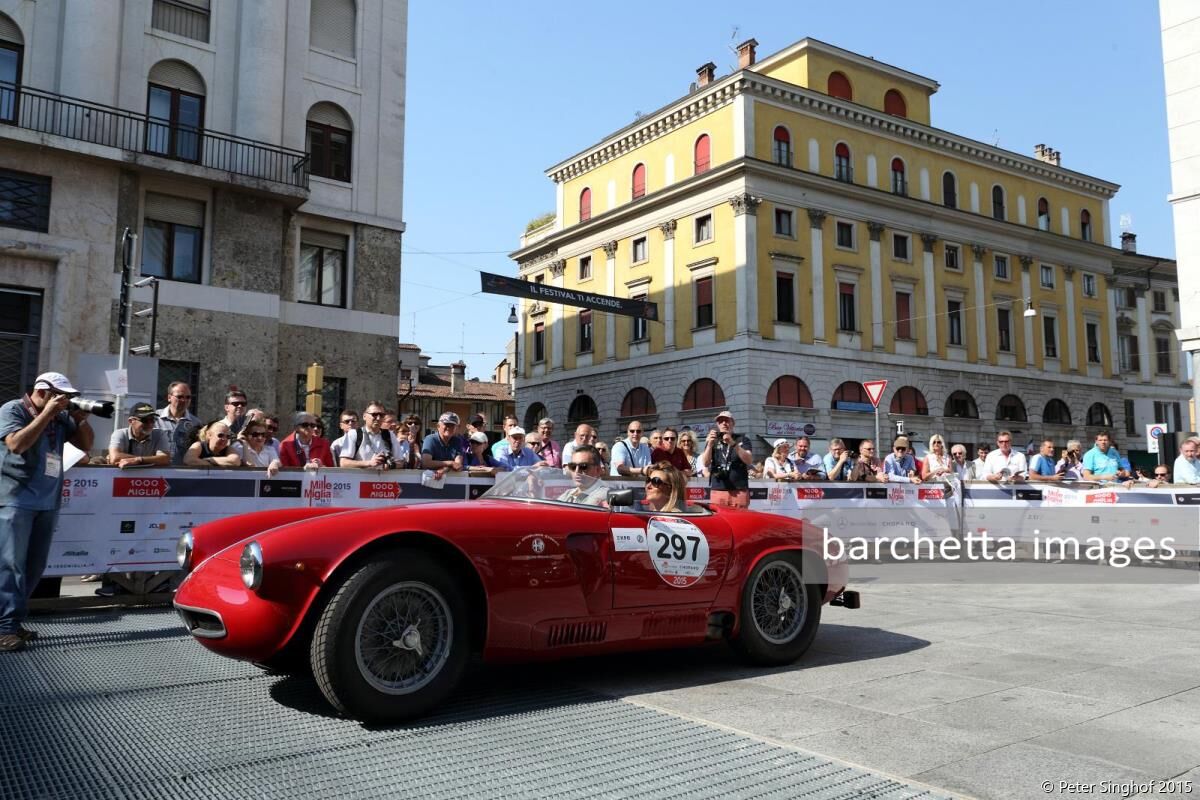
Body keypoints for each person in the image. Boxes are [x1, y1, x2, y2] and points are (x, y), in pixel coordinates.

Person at [0, 372, 95, 652]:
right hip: (15, 498)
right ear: (42, 392)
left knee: (34, 567)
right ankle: (4, 628)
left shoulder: (60, 416)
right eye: (59, 395)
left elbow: (85, 446)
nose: (64, 401)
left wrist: (80, 419)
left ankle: (12, 622)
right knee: (10, 566)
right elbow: (17, 445)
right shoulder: (12, 409)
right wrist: (47, 415)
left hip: (47, 500)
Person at [700, 410, 753, 508]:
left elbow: (749, 460)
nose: (724, 423)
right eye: (720, 421)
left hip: (739, 490)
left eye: (727, 420)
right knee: (719, 521)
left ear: (733, 423)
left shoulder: (742, 439)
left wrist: (733, 443)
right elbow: (705, 463)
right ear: (717, 424)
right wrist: (709, 445)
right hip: (718, 490)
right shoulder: (713, 440)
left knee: (739, 521)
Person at [339, 402, 408, 470]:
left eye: (381, 415)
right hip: (360, 480)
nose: (378, 418)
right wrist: (369, 463)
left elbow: (401, 462)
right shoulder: (354, 434)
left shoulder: (390, 435)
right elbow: (344, 463)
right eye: (374, 414)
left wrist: (389, 465)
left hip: (384, 480)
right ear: (364, 416)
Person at [108, 402, 171, 469]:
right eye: (145, 420)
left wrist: (139, 460)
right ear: (131, 421)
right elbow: (115, 458)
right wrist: (152, 459)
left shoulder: (159, 434)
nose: (150, 424)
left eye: (152, 420)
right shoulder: (120, 434)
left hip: (150, 478)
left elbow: (165, 459)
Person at [154, 381, 199, 465]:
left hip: (182, 472)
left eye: (188, 397)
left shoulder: (196, 423)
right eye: (180, 396)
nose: (184, 400)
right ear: (169, 397)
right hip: (157, 470)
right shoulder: (154, 419)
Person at [421, 412, 468, 479]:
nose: (449, 428)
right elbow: (426, 463)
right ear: (438, 426)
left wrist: (445, 469)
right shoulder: (430, 439)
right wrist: (450, 463)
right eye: (446, 424)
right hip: (428, 480)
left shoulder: (457, 441)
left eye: (452, 425)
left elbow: (458, 466)